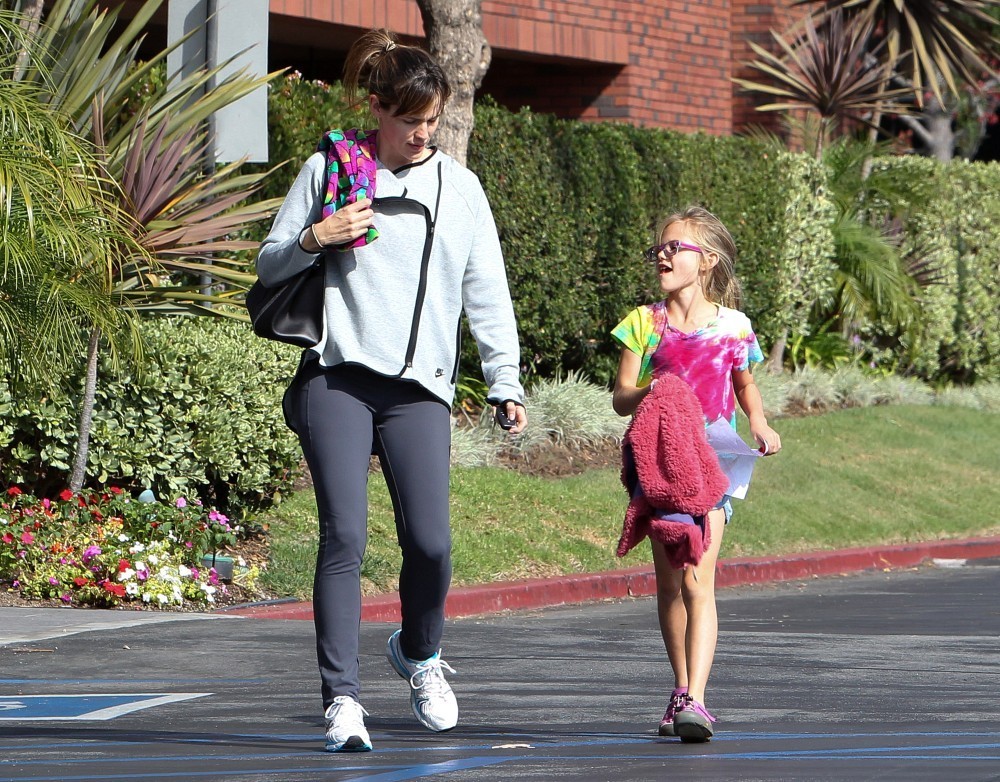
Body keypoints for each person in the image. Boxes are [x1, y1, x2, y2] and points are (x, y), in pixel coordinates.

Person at [255, 28, 527, 753]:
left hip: (419, 389)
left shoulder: (459, 189)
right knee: (344, 534)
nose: (423, 134)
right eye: (410, 120)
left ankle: (419, 654)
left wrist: (504, 379)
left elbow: (487, 291)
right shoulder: (332, 167)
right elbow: (271, 262)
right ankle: (341, 699)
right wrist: (318, 236)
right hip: (337, 375)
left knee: (431, 544)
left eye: (432, 120)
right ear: (376, 108)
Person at [610, 205, 781, 742]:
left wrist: (760, 423)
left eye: (674, 247)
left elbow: (745, 384)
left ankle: (697, 701)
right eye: (658, 248)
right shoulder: (644, 322)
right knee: (668, 585)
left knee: (696, 580)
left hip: (715, 466)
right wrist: (653, 389)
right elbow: (621, 397)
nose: (662, 255)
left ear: (706, 260)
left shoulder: (734, 327)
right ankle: (680, 687)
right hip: (661, 464)